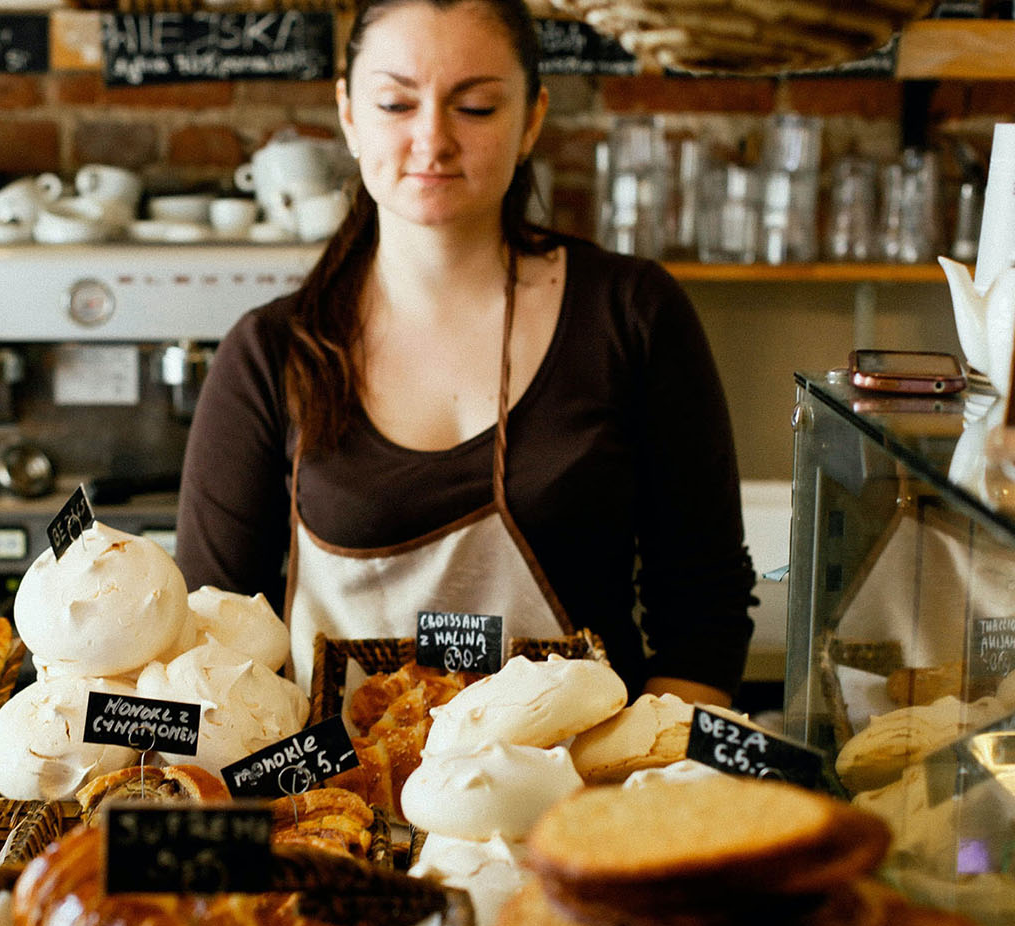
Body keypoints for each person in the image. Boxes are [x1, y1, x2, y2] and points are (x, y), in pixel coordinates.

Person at [174, 0, 755, 705]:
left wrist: (639, 791)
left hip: (574, 797)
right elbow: (209, 647)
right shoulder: (271, 353)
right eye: (395, 103)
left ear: (532, 119)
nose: (432, 140)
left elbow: (704, 612)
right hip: (329, 808)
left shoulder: (630, 314)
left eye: (475, 107)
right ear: (349, 115)